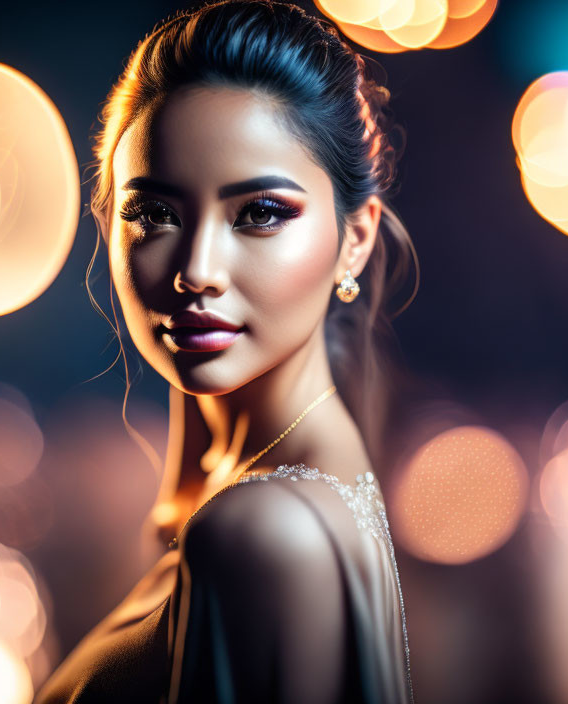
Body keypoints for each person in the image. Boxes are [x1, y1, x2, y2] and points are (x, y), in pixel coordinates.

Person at [35, 1, 419, 701]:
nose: (196, 269)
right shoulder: (269, 489)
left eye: (260, 213)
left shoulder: (258, 530)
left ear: (355, 237)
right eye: (154, 214)